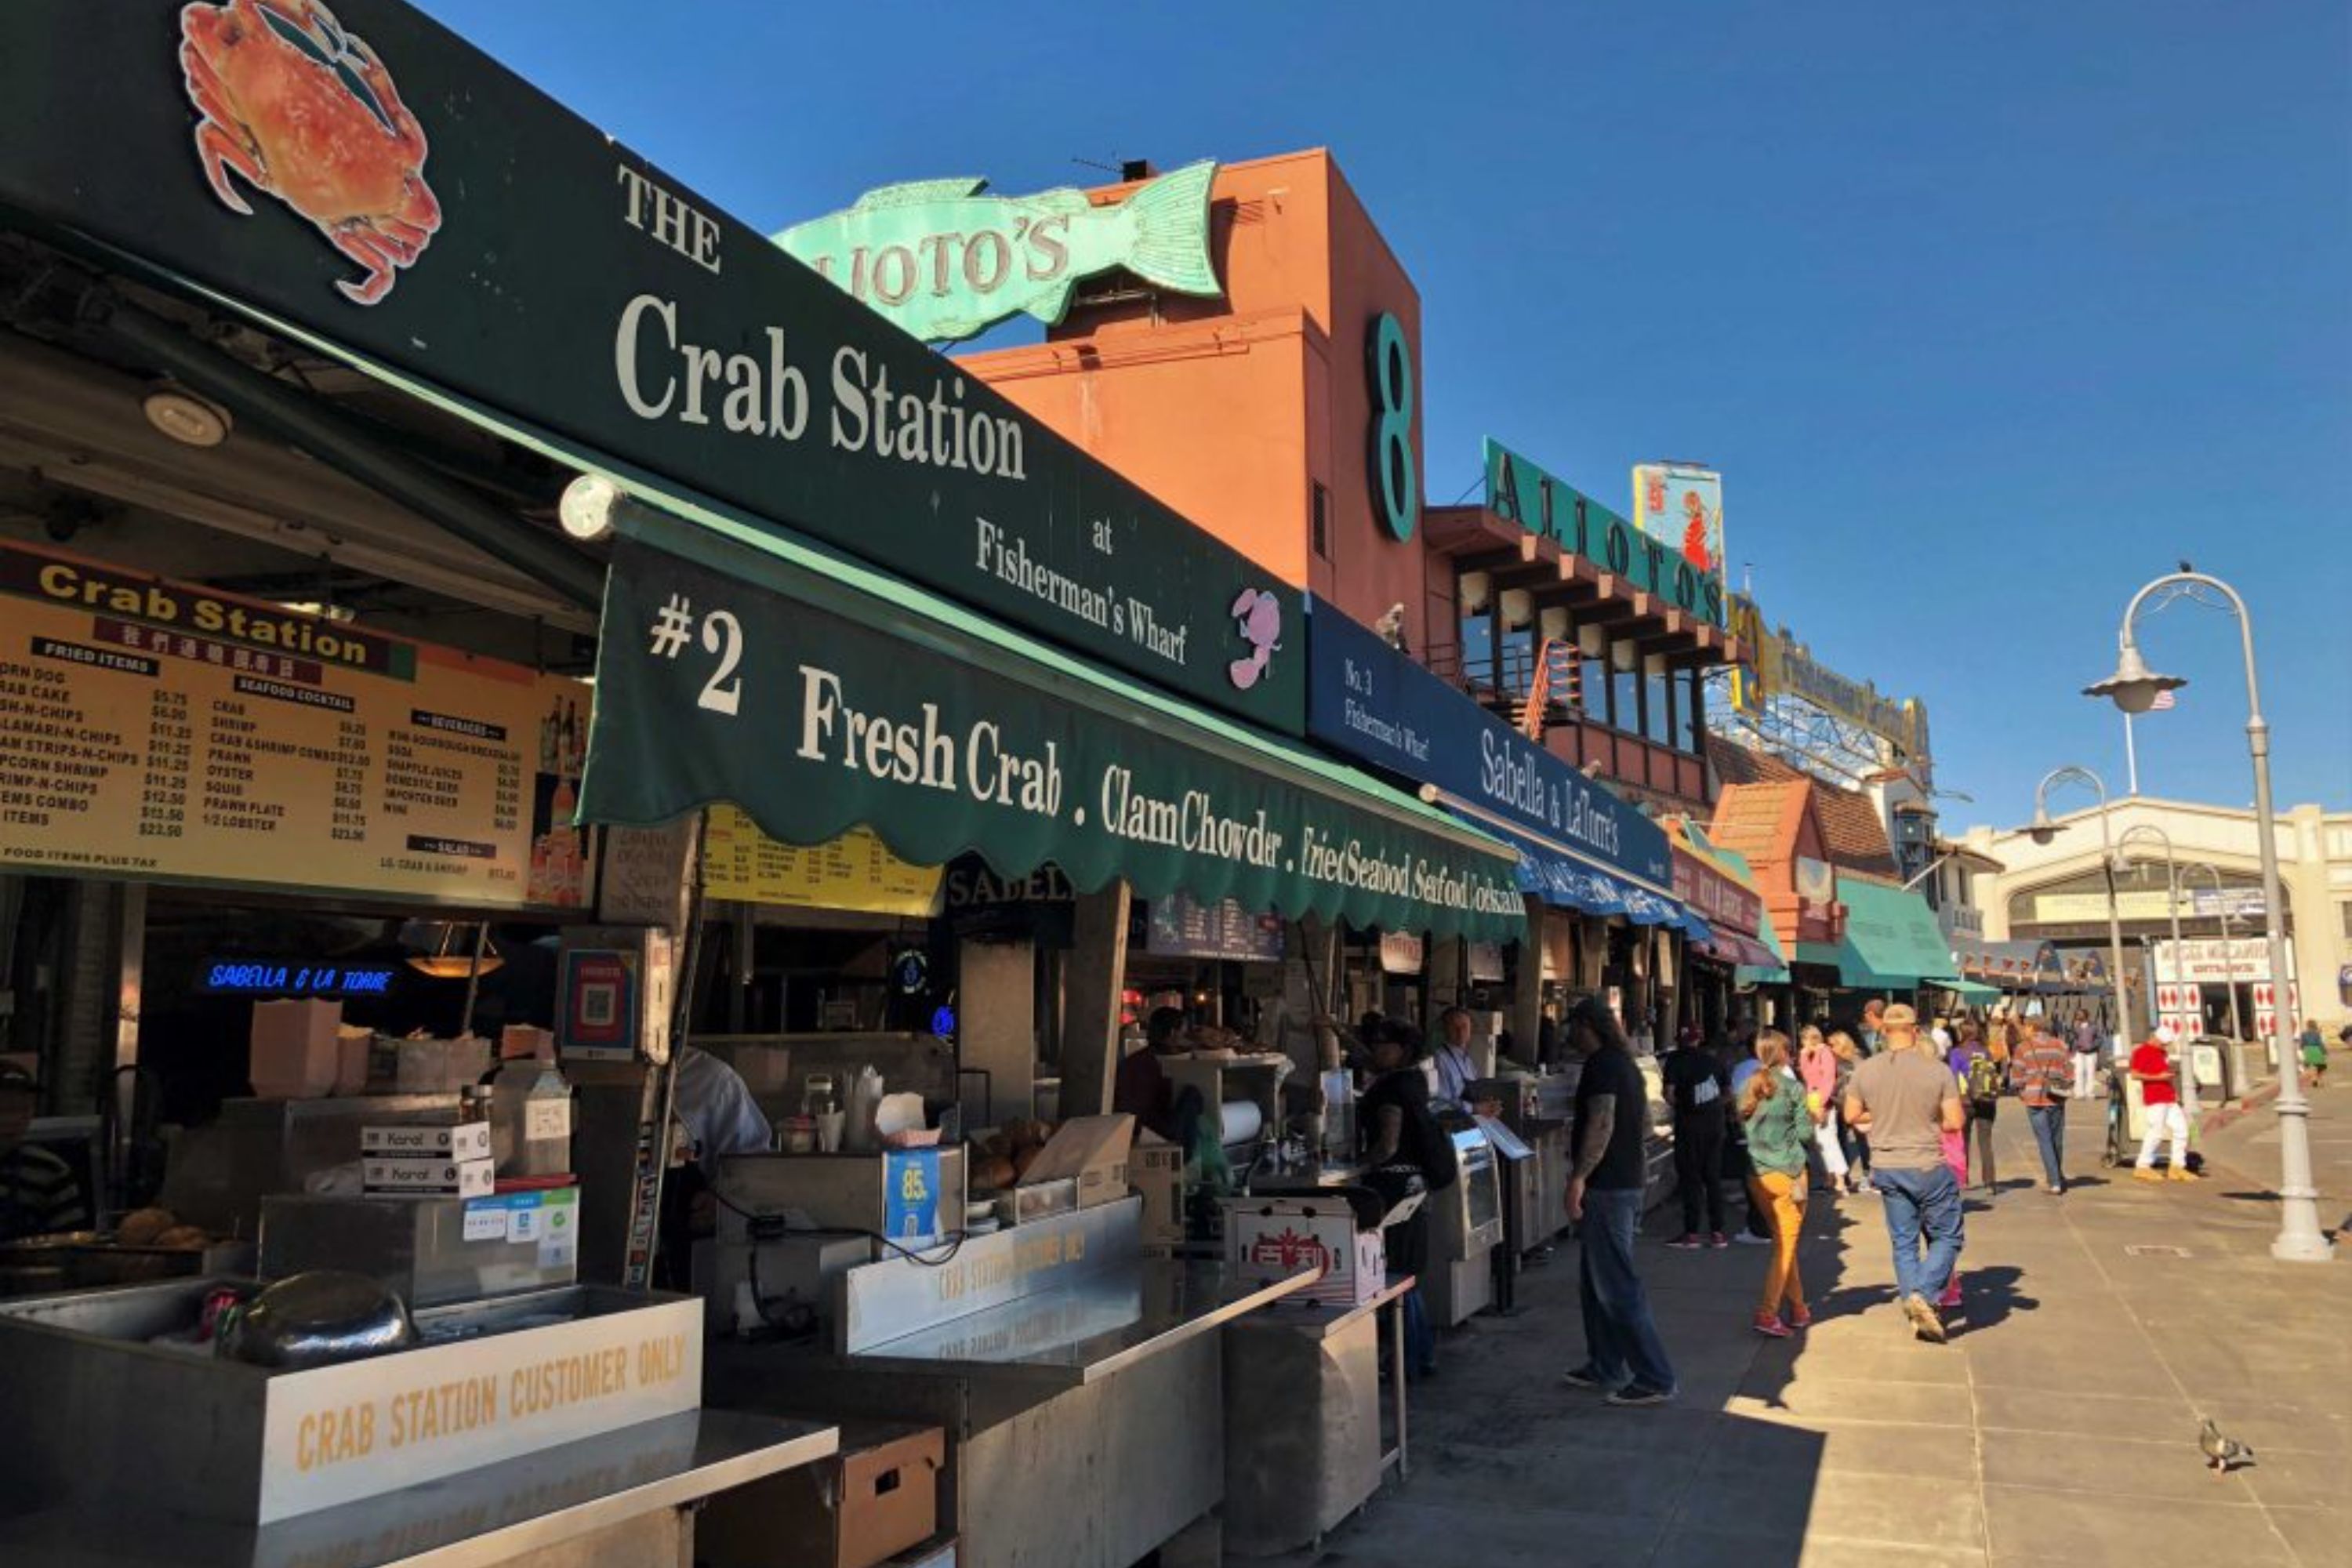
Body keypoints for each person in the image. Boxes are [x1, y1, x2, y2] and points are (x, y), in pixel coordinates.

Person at [1560, 997, 1678, 1406]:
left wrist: (1579, 1177)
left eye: (1571, 1026)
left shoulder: (1603, 1066)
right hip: (1624, 1183)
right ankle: (1605, 1364)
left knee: (1617, 1286)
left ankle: (1655, 1376)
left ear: (1587, 1026)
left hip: (1608, 1188)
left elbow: (1602, 1121)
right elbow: (1644, 1123)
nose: (1567, 1034)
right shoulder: (1624, 1063)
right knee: (1596, 1284)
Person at [1844, 1004, 1965, 1343]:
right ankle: (1923, 1295)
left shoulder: (1866, 1070)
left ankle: (1917, 1305)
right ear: (1915, 1031)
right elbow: (1955, 1122)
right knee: (1948, 1236)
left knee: (1903, 1242)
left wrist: (1880, 1121)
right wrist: (1926, 1121)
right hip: (1926, 1161)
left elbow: (1851, 1115)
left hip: (1886, 1164)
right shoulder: (1937, 1070)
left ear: (1883, 1032)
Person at [1359, 1022, 1454, 1377]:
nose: (1378, 1050)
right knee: (1407, 1275)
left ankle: (1407, 1359)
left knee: (1395, 1275)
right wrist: (1337, 1030)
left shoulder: (1391, 1091)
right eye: (1376, 1042)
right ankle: (1420, 1354)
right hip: (1415, 1187)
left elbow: (1388, 1144)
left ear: (1403, 1049)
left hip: (1393, 1191)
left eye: (1385, 1044)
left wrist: (1359, 1163)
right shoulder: (1412, 1080)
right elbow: (1365, 1058)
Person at [1738, 1030, 1815, 1338]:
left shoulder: (1748, 1086)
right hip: (1789, 1171)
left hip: (1757, 1173)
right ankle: (1767, 1312)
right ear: (1782, 1053)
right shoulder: (1793, 1088)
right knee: (1785, 1244)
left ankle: (1798, 1307)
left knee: (1785, 1241)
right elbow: (1806, 1134)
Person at [0, 1065, 90, 1243]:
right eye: (4, 1108)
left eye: (23, 1109)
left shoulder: (51, 1171)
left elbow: (70, 1247)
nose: (13, 1119)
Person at [1663, 1026, 1733, 1248]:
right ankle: (1718, 1232)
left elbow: (1669, 1094)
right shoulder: (1714, 1061)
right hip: (1714, 1127)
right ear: (1699, 1039)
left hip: (1688, 1127)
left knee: (1691, 1179)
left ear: (1680, 1041)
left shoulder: (1675, 1061)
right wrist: (1712, 1107)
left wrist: (1685, 1108)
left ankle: (1691, 1233)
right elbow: (1729, 1093)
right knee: (1713, 1178)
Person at [2008, 1017, 2073, 1195]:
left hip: (2034, 1097)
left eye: (2026, 1026)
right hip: (2056, 1097)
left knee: (2044, 1140)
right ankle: (2057, 1176)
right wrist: (2065, 1087)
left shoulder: (2023, 1048)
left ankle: (2054, 1182)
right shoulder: (2060, 1045)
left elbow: (2017, 1075)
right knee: (2056, 1139)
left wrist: (2021, 1092)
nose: (2025, 1030)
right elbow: (2069, 1071)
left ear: (2032, 1027)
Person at [2131, 1025, 2196, 1182]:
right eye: (2163, 1043)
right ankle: (2143, 1166)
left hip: (2168, 1097)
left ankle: (2177, 1167)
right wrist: (2158, 1077)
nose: (2165, 1046)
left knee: (2182, 1130)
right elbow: (2135, 1074)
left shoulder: (2163, 1053)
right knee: (2156, 1132)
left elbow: (2164, 1073)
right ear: (2155, 1038)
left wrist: (2174, 1091)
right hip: (2154, 1098)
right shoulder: (2141, 1052)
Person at [1113, 1006, 1187, 1141]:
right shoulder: (1167, 1064)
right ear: (1172, 1033)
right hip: (1153, 1133)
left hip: (1129, 1131)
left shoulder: (1132, 1062)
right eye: (1183, 1032)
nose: (1185, 1038)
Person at [1950, 1020, 2002, 1195]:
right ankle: (1990, 1182)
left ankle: (1962, 1179)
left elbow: (1953, 1077)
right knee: (1985, 1142)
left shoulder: (1957, 1053)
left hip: (1966, 1102)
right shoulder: (1985, 1051)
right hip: (1986, 1101)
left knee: (1963, 1141)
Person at [1797, 1025, 1849, 1194]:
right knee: (1820, 1143)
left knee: (1829, 1140)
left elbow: (1828, 1080)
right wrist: (1804, 1055)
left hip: (1823, 1103)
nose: (1805, 1044)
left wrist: (1822, 1104)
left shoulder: (1825, 1053)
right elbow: (1806, 1076)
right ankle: (1830, 1176)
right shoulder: (1807, 1055)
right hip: (1812, 1101)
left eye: (1806, 1040)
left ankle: (1840, 1178)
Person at [1828, 1030, 1872, 1195]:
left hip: (1856, 1104)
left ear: (1842, 1044)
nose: (1829, 1048)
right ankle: (1845, 1177)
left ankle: (1868, 1176)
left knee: (1864, 1140)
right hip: (1839, 1104)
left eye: (1832, 1045)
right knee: (1840, 1140)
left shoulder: (1857, 1060)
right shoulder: (1834, 1060)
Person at [2070, 1010, 2103, 1100]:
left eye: (2080, 1014)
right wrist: (2073, 1051)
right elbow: (2072, 1039)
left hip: (2091, 1053)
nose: (2078, 1016)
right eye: (2077, 1014)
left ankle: (2090, 1093)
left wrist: (2093, 1046)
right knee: (2078, 1072)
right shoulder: (2075, 1026)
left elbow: (2100, 1039)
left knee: (2090, 1072)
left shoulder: (2094, 1026)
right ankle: (2079, 1093)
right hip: (2079, 1052)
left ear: (2086, 1015)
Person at [2299, 1020, 2328, 1089]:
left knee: (2312, 1066)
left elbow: (2302, 1044)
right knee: (2321, 1066)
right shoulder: (2317, 1033)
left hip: (2308, 1050)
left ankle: (2314, 1079)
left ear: (2307, 1025)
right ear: (2315, 1025)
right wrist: (2324, 1051)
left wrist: (2302, 1049)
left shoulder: (2303, 1033)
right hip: (2317, 1050)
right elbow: (2320, 1043)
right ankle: (2319, 1081)